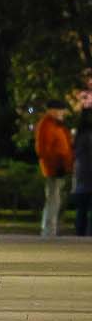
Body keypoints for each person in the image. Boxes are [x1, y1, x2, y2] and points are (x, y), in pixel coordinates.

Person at [35, 99, 75, 238]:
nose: (63, 113)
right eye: (61, 110)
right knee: (53, 198)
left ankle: (51, 229)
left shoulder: (57, 125)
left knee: (55, 198)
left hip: (60, 167)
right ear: (52, 110)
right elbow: (43, 150)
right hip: (54, 168)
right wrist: (55, 164)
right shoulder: (47, 125)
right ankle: (48, 230)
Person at [74, 102, 92, 238]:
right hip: (88, 176)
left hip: (81, 175)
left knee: (81, 209)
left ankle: (80, 234)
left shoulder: (79, 135)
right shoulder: (88, 136)